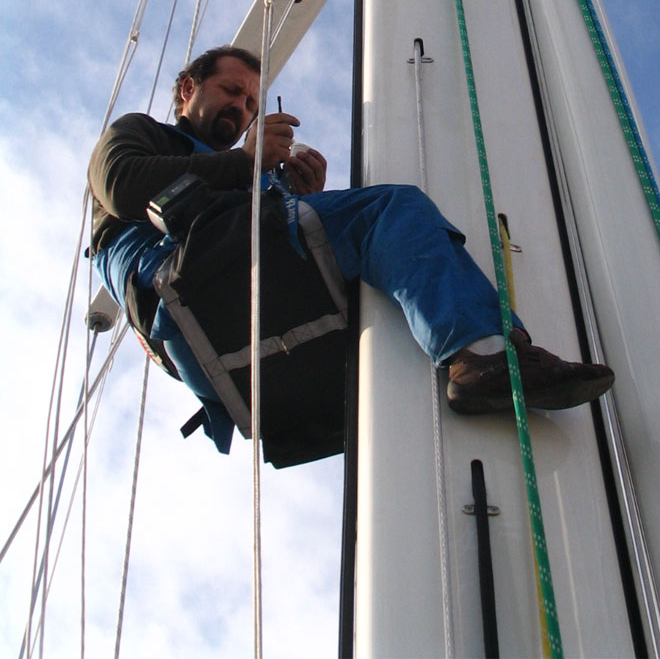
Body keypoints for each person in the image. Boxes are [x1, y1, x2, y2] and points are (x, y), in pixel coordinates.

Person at [89, 45, 614, 453]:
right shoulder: (142, 134)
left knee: (382, 293)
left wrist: (294, 197)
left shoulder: (238, 173)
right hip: (184, 279)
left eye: (250, 103)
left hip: (228, 310)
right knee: (389, 211)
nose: (242, 108)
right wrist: (248, 166)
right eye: (231, 91)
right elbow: (120, 185)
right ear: (188, 89)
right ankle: (483, 357)